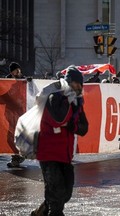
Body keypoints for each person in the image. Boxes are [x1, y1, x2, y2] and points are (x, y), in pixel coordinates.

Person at [31, 66, 89, 215]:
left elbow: (84, 128)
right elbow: (58, 119)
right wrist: (67, 102)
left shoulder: (77, 103)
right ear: (69, 82)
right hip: (49, 154)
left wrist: (71, 124)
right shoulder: (55, 97)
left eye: (80, 84)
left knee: (65, 193)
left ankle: (41, 211)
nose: (79, 87)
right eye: (76, 83)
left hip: (65, 155)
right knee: (57, 199)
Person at [5, 62, 26, 167]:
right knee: (11, 138)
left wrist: (29, 82)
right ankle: (18, 156)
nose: (18, 71)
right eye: (15, 70)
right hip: (10, 113)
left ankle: (17, 157)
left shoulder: (24, 80)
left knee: (17, 136)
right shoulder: (6, 82)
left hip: (21, 114)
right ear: (11, 72)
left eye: (19, 69)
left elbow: (30, 92)